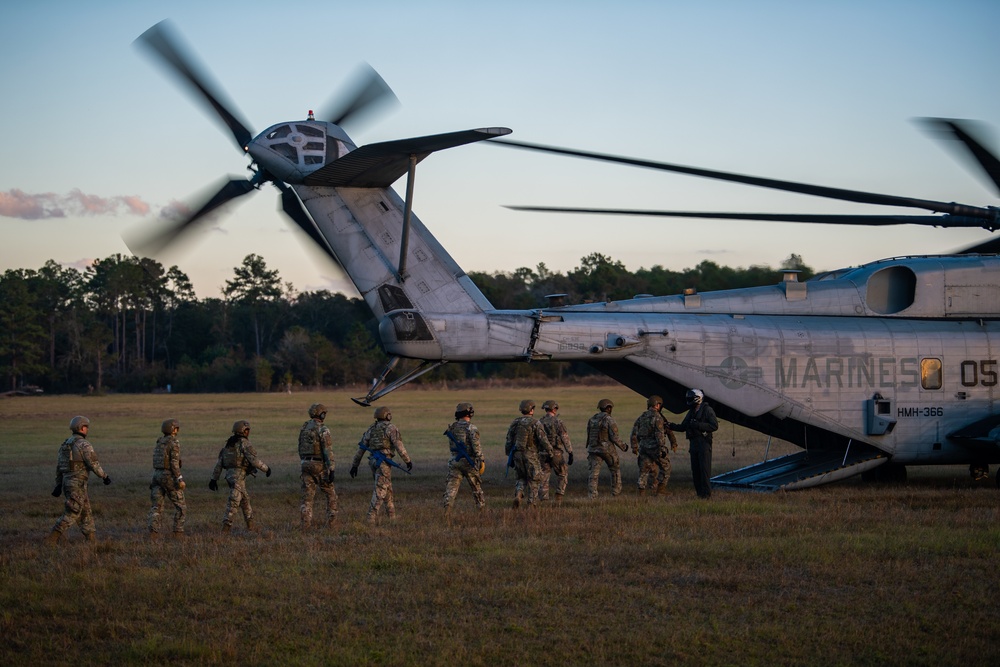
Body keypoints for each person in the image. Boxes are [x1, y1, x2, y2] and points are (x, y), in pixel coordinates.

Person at [45, 416, 111, 545]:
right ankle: (52, 538)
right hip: (77, 483)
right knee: (73, 511)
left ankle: (91, 540)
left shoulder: (65, 444)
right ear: (81, 427)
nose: (87, 429)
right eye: (86, 427)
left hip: (68, 482)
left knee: (85, 512)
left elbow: (60, 466)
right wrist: (104, 476)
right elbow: (93, 464)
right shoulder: (84, 444)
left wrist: (59, 484)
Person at [350, 406, 412, 524]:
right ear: (388, 416)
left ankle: (392, 517)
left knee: (387, 489)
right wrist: (407, 460)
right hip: (383, 462)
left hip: (373, 461)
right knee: (380, 490)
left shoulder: (371, 429)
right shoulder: (391, 428)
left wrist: (355, 465)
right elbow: (399, 446)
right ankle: (370, 518)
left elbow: (361, 448)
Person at [210, 420, 271, 533]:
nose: (248, 432)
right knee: (234, 501)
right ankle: (226, 528)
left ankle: (251, 527)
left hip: (231, 476)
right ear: (241, 431)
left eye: (248, 430)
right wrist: (266, 469)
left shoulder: (229, 444)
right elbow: (254, 460)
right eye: (246, 430)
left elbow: (219, 463)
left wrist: (214, 479)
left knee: (245, 500)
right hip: (238, 476)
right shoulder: (244, 443)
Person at [667, 389, 719, 499]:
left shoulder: (707, 410)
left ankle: (706, 495)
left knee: (704, 470)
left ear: (698, 398)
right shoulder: (691, 411)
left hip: (704, 444)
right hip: (694, 444)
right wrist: (670, 425)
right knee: (695, 470)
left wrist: (698, 425)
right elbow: (683, 427)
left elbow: (714, 426)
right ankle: (700, 494)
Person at [504, 399, 553, 508]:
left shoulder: (515, 422)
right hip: (531, 455)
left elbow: (509, 440)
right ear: (531, 410)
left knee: (521, 477)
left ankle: (519, 493)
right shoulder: (536, 423)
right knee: (534, 479)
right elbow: (543, 440)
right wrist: (550, 452)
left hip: (517, 454)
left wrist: (509, 454)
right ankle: (531, 504)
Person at [298, 403, 338, 529]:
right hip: (319, 465)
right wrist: (331, 468)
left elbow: (300, 447)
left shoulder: (304, 428)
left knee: (307, 497)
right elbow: (327, 450)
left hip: (305, 464)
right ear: (321, 414)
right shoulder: (323, 429)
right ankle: (331, 524)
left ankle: (305, 525)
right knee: (331, 494)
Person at [442, 402, 486, 514]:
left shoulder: (453, 427)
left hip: (455, 460)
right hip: (468, 461)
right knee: (476, 488)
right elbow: (476, 447)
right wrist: (481, 459)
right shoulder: (471, 428)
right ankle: (481, 510)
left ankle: (447, 509)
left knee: (451, 488)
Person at [630, 395, 679, 496]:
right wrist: (662, 448)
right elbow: (660, 434)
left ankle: (641, 492)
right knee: (666, 467)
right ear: (657, 405)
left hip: (643, 447)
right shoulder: (658, 418)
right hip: (654, 448)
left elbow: (634, 433)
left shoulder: (642, 417)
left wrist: (634, 446)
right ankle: (660, 490)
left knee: (644, 469)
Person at [148, 418, 186, 539]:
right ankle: (178, 533)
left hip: (156, 476)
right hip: (168, 477)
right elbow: (174, 463)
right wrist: (179, 479)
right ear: (173, 429)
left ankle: (153, 534)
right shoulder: (174, 442)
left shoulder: (160, 441)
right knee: (181, 506)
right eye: (176, 428)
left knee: (156, 507)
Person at [585, 398, 628, 498]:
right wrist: (623, 447)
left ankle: (592, 496)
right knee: (615, 470)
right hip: (606, 449)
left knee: (593, 474)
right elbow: (614, 437)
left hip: (593, 449)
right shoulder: (609, 419)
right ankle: (616, 493)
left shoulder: (592, 419)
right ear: (608, 408)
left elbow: (589, 434)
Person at [538, 399, 574, 503]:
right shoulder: (558, 422)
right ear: (554, 409)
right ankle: (559, 496)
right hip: (556, 453)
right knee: (563, 474)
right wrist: (570, 452)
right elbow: (565, 438)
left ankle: (543, 500)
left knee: (544, 477)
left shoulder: (539, 422)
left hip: (542, 453)